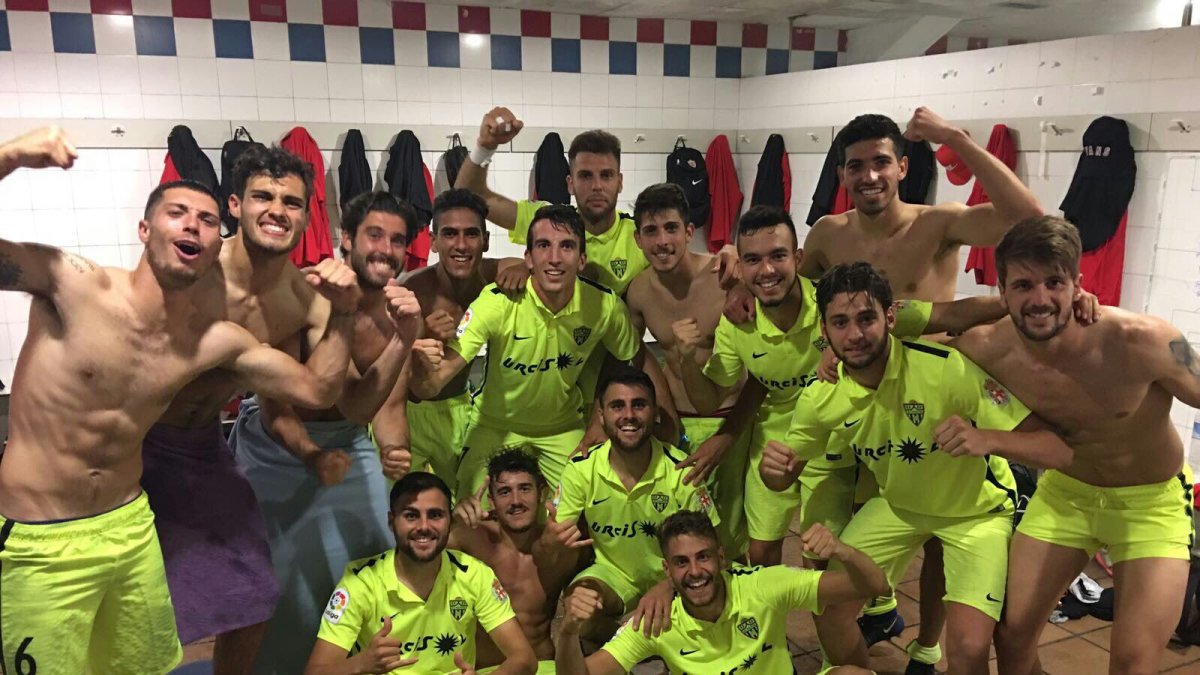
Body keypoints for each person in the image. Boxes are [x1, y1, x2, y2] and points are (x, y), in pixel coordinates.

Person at [0, 127, 363, 675]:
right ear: (144, 229)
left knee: (167, 649)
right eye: (177, 212)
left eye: (206, 219)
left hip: (134, 515)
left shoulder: (217, 340)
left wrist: (347, 309)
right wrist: (9, 154)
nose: (193, 223)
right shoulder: (72, 285)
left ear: (218, 241)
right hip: (45, 530)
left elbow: (319, 389)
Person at [798, 107, 1042, 668]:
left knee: (939, 537)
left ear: (903, 166)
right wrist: (739, 273)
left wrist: (954, 138)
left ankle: (927, 646)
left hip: (937, 396)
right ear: (841, 176)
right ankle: (875, 609)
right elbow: (797, 285)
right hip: (867, 405)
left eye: (881, 162)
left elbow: (1026, 216)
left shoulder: (937, 223)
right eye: (855, 166)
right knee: (874, 518)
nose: (870, 177)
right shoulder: (828, 233)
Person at [761, 262, 1073, 675]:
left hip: (975, 516)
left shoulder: (947, 368)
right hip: (899, 507)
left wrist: (989, 440)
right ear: (824, 330)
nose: (854, 334)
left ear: (890, 318)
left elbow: (1056, 447)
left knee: (966, 651)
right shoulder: (822, 395)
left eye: (866, 318)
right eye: (840, 322)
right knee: (827, 608)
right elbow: (781, 475)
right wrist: (774, 468)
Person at [674, 205, 1003, 567]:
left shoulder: (840, 306)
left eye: (778, 256)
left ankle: (870, 613)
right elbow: (711, 398)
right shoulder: (738, 323)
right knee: (761, 552)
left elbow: (951, 313)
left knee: (822, 559)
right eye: (752, 260)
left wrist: (1020, 304)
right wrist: (687, 357)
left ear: (798, 258)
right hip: (776, 444)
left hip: (839, 450)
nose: (767, 270)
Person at [139, 144, 363, 672]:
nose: (277, 211)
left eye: (291, 202)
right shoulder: (192, 265)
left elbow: (311, 394)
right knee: (133, 596)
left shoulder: (303, 298)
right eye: (263, 196)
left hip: (202, 449)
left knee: (256, 591)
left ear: (308, 215)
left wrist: (311, 454)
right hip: (133, 441)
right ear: (235, 205)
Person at [946, 216, 1200, 675]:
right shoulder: (986, 348)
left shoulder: (1141, 340)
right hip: (1067, 494)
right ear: (1001, 292)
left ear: (1077, 285)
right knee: (1013, 635)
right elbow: (896, 338)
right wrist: (828, 343)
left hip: (1151, 505)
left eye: (1054, 282)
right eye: (1023, 285)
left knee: (1132, 664)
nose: (1040, 299)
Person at [230, 190, 424, 674]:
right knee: (276, 588)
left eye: (397, 240)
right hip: (278, 450)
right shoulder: (303, 295)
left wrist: (395, 452)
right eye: (374, 235)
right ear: (346, 239)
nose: (385, 249)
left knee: (371, 567)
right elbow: (276, 410)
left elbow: (383, 407)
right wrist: (312, 455)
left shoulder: (397, 311)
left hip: (348, 445)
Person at [408, 205, 662, 499]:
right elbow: (435, 380)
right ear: (528, 257)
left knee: (584, 508)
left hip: (562, 427)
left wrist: (598, 420)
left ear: (582, 259)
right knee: (473, 512)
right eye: (543, 246)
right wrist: (419, 367)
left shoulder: (605, 307)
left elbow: (626, 359)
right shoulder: (496, 302)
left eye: (566, 246)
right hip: (494, 424)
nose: (554, 258)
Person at [555, 510, 887, 674]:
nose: (695, 572)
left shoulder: (763, 585)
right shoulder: (656, 620)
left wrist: (843, 552)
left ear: (722, 558)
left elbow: (874, 585)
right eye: (682, 562)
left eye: (703, 557)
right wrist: (569, 631)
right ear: (667, 571)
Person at [623, 183, 752, 558]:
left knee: (730, 534)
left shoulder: (726, 277)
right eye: (651, 231)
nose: (662, 241)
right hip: (677, 421)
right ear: (638, 239)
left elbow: (757, 355)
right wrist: (662, 409)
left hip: (729, 420)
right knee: (681, 532)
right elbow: (636, 358)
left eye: (671, 228)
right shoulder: (639, 292)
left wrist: (730, 433)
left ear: (689, 232)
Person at [305, 472, 537, 675]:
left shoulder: (475, 574)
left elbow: (524, 659)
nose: (424, 526)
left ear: (449, 521)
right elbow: (315, 671)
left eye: (435, 515)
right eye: (411, 515)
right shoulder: (360, 581)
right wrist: (360, 663)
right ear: (391, 522)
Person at [552, 367, 720, 638]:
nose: (628, 415)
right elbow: (559, 538)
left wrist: (669, 585)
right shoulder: (581, 468)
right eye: (617, 406)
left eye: (639, 405)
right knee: (580, 607)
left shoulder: (681, 470)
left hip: (676, 574)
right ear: (601, 415)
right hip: (613, 574)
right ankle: (633, 643)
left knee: (711, 592)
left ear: (655, 413)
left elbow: (710, 546)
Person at [396, 188, 527, 491]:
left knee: (469, 502)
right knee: (399, 502)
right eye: (450, 234)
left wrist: (524, 266)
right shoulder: (414, 290)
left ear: (486, 241)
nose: (461, 245)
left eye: (471, 234)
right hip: (409, 410)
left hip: (461, 407)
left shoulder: (493, 274)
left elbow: (534, 266)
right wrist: (422, 337)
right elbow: (393, 370)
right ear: (433, 241)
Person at [449, 448, 590, 673]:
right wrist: (452, 519)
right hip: (487, 669)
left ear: (541, 493)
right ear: (491, 501)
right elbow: (419, 551)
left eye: (524, 489)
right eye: (505, 492)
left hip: (543, 667)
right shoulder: (469, 538)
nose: (516, 501)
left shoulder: (565, 548)